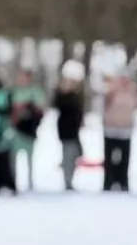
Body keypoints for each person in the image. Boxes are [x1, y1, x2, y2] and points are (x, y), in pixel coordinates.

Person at [9, 70, 46, 191]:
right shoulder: (13, 92)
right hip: (16, 129)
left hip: (29, 130)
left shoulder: (35, 92)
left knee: (29, 157)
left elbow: (41, 109)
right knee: (13, 156)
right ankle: (13, 180)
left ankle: (30, 181)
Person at [52, 59, 86, 191]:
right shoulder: (63, 94)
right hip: (66, 129)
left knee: (77, 153)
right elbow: (60, 106)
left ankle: (66, 169)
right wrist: (64, 91)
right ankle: (67, 179)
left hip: (75, 129)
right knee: (69, 153)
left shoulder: (77, 94)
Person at [101, 73, 137, 192]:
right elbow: (105, 103)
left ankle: (123, 181)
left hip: (126, 129)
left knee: (124, 158)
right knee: (109, 158)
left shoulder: (132, 91)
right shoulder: (111, 90)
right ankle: (108, 181)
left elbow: (136, 105)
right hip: (111, 128)